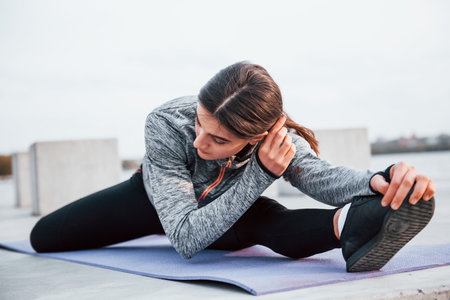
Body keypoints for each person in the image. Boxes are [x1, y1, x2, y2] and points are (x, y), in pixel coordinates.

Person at [30, 61, 435, 272]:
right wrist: (260, 173)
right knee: (44, 237)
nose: (198, 142)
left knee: (268, 223)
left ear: (257, 136)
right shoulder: (165, 123)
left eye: (219, 139)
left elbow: (320, 176)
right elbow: (187, 239)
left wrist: (381, 180)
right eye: (199, 124)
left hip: (228, 209)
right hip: (151, 202)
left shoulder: (276, 140)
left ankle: (354, 223)